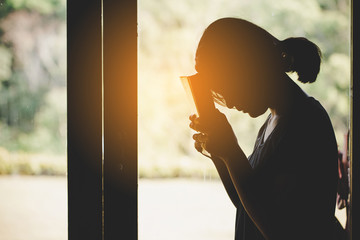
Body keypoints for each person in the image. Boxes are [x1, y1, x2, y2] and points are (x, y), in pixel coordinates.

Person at [188, 18, 339, 240]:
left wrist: (231, 151)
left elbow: (280, 229)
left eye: (227, 86)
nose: (228, 101)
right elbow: (246, 203)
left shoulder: (306, 123)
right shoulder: (272, 123)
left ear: (248, 68)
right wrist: (219, 155)